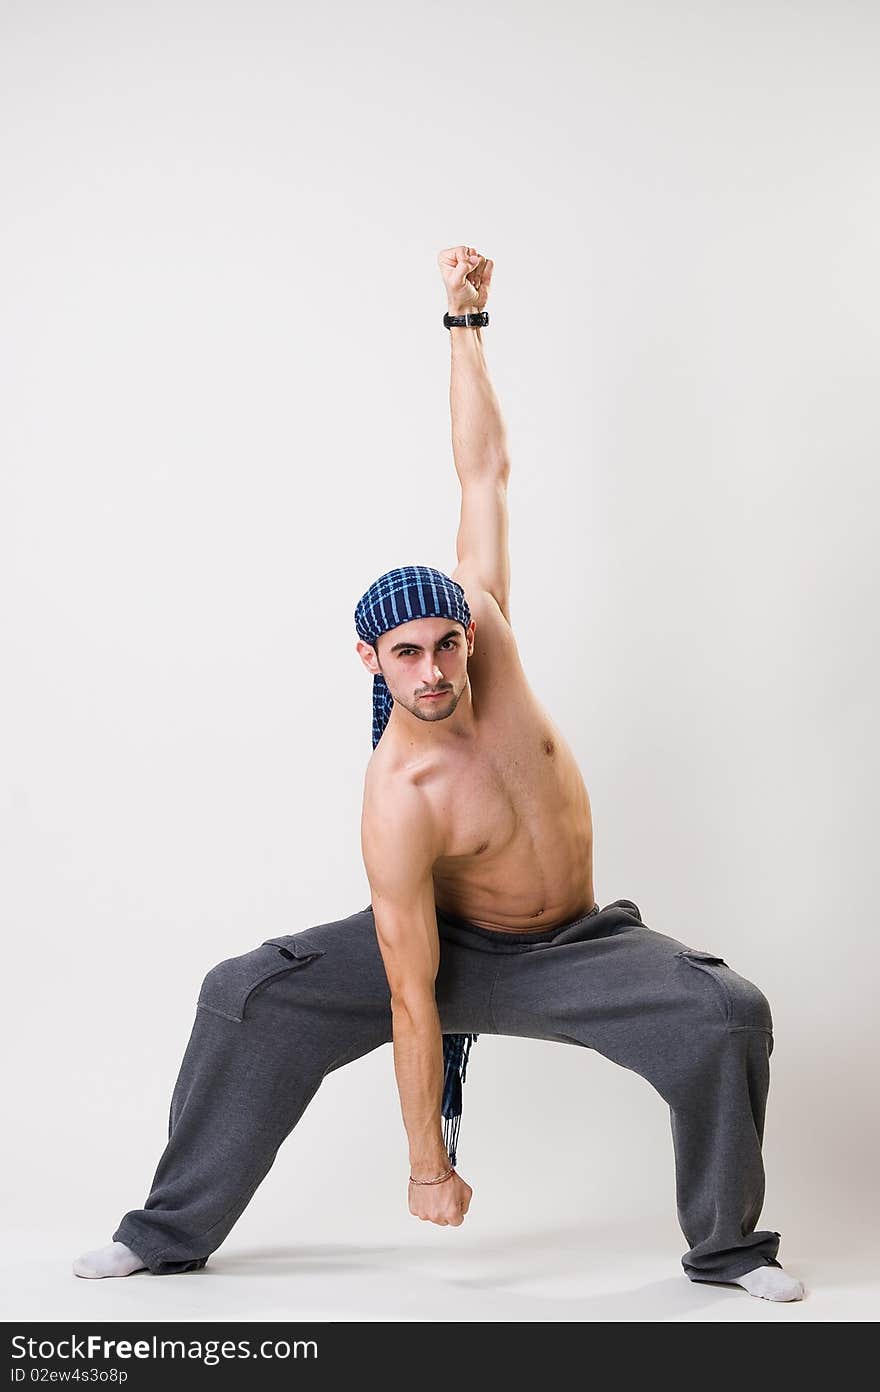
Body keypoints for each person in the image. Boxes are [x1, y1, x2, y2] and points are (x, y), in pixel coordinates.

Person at [73, 245, 803, 1302]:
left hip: (577, 951)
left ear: (467, 634)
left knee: (726, 1012)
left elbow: (483, 474)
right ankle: (166, 1233)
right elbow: (413, 994)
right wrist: (428, 1162)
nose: (434, 669)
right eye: (406, 655)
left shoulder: (488, 639)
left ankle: (728, 1252)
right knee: (243, 995)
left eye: (445, 645)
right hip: (441, 952)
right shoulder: (398, 800)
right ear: (369, 660)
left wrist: (465, 325)